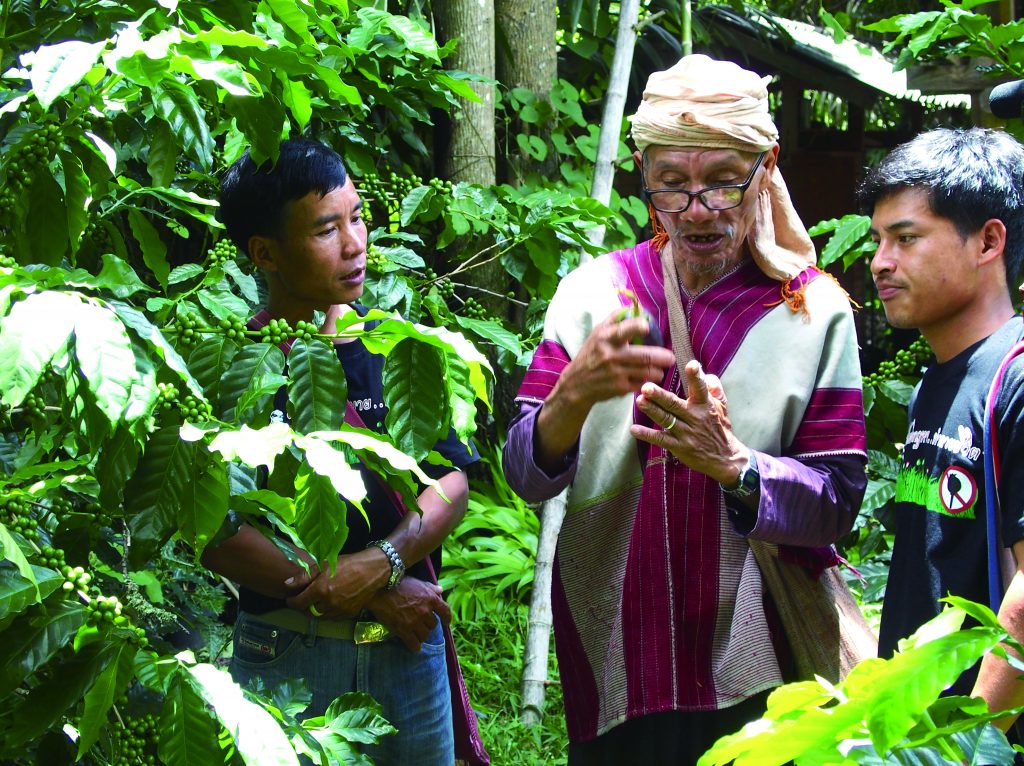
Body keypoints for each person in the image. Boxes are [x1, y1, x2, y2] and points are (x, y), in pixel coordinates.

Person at [503, 54, 868, 764]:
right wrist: (572, 396)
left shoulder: (813, 311)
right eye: (672, 185)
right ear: (645, 177)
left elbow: (839, 501)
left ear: (766, 170)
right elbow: (524, 472)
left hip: (765, 681)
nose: (697, 209)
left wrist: (738, 468)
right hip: (615, 656)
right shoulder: (593, 293)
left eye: (724, 183)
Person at [202, 138, 478, 765]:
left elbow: (451, 479)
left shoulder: (393, 348)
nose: (355, 244)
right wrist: (361, 585)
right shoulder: (235, 368)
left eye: (357, 218)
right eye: (328, 228)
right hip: (286, 650)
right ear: (265, 253)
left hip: (405, 651)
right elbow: (216, 527)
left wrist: (383, 560)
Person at [859, 127, 1024, 733]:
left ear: (987, 241)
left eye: (906, 238)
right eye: (878, 240)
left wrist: (966, 745)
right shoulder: (937, 382)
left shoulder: (1017, 379)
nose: (880, 262)